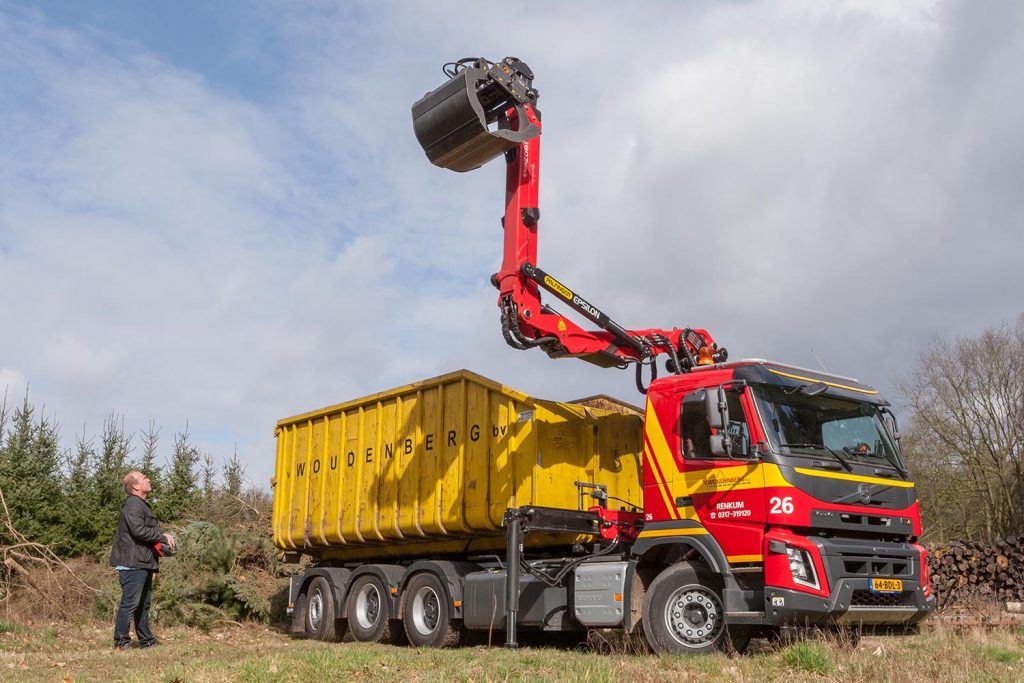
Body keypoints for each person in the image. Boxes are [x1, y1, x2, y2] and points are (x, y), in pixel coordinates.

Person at [109, 471, 175, 650]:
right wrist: (162, 536)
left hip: (142, 562)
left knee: (143, 605)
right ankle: (121, 642)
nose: (149, 479)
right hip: (133, 563)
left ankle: (147, 641)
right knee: (130, 604)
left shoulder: (140, 505)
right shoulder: (133, 504)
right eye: (145, 478)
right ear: (136, 486)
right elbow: (139, 531)